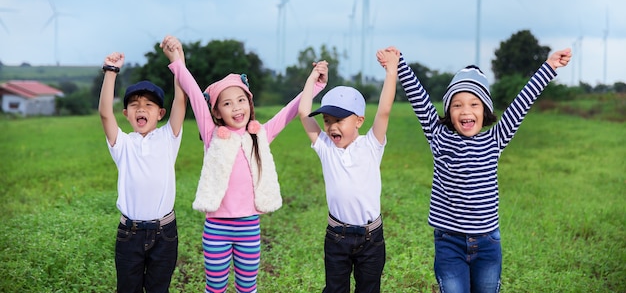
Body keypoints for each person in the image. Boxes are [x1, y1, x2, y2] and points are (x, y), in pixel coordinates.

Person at [384, 45, 572, 293]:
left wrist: (549, 67)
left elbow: (521, 103)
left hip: (487, 244)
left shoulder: (495, 139)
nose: (466, 111)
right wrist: (399, 63)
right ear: (449, 112)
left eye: (474, 104)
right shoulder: (438, 135)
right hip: (449, 243)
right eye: (457, 105)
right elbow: (418, 97)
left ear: (485, 110)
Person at [161, 35, 327, 293]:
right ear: (216, 112)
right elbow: (193, 93)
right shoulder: (212, 134)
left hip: (249, 227)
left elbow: (290, 111)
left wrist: (313, 86)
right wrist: (177, 60)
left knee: (247, 288)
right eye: (227, 104)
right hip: (216, 227)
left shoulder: (260, 133)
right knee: (214, 287)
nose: (236, 108)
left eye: (241, 101)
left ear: (249, 103)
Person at [297, 50, 399, 293]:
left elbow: (384, 110)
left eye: (339, 119)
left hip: (371, 238)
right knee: (335, 289)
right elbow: (303, 113)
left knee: (369, 289)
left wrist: (391, 71)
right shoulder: (325, 148)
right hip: (337, 236)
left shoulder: (371, 144)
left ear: (359, 121)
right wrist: (313, 79)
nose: (332, 126)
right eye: (327, 120)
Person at [98, 37, 187, 293]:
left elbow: (180, 101)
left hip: (165, 233)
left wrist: (177, 60)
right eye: (135, 105)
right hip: (129, 234)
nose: (141, 109)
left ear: (160, 113)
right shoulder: (123, 144)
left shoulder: (168, 137)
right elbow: (105, 113)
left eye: (149, 105)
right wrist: (111, 72)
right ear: (126, 114)